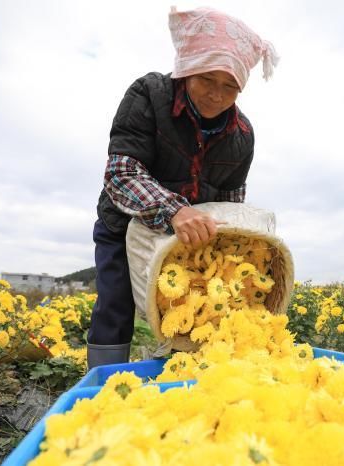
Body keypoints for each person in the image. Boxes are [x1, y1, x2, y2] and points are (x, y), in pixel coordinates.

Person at [87, 6, 279, 369]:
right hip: (125, 220)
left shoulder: (242, 136)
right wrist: (174, 210)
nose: (216, 95)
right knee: (115, 304)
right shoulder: (149, 95)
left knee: (193, 311)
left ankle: (182, 382)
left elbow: (229, 202)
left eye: (230, 86)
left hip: (192, 241)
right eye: (207, 79)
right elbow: (121, 173)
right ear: (188, 66)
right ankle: (100, 385)